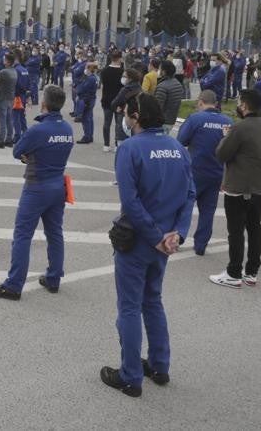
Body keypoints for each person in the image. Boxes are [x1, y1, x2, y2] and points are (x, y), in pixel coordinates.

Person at [101, 94, 195, 397]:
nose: (125, 119)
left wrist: (155, 237)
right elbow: (190, 194)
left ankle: (130, 376)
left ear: (137, 116)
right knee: (152, 301)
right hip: (165, 242)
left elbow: (130, 200)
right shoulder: (178, 148)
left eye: (128, 114)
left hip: (139, 241)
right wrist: (176, 234)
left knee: (128, 307)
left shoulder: (129, 148)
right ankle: (159, 365)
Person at [0, 85, 74, 301]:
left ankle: (14, 285)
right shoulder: (67, 129)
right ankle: (53, 278)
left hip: (37, 186)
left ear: (44, 103)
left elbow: (17, 151)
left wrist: (29, 155)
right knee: (55, 233)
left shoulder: (38, 130)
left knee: (22, 235)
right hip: (58, 185)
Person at [209, 89, 261, 288]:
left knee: (235, 231)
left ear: (244, 105)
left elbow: (221, 154)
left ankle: (233, 272)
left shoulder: (240, 128)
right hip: (259, 187)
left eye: (238, 101)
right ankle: (251, 271)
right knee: (255, 229)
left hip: (239, 188)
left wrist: (225, 136)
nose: (237, 105)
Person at [176, 91, 232, 256]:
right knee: (208, 210)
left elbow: (180, 141)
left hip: (195, 171)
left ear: (201, 102)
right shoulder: (227, 122)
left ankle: (177, 238)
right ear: (215, 103)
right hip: (216, 172)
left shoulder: (195, 119)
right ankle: (201, 245)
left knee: (184, 206)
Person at [0, 53, 19, 149]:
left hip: (2, 98)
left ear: (7, 61)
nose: (3, 60)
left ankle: (0, 140)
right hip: (10, 98)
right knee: (9, 120)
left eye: (5, 59)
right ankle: (9, 139)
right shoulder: (14, 71)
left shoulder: (3, 72)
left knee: (2, 120)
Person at [100, 53, 125, 152]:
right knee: (118, 124)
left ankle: (106, 144)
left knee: (107, 123)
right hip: (119, 101)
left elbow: (103, 86)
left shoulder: (104, 71)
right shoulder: (123, 72)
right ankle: (116, 144)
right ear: (119, 59)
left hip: (107, 99)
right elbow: (124, 88)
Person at [152, 61, 183, 135]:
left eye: (159, 69)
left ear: (164, 71)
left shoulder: (162, 86)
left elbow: (157, 107)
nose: (158, 71)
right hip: (172, 119)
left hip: (162, 122)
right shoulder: (177, 83)